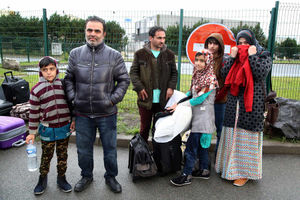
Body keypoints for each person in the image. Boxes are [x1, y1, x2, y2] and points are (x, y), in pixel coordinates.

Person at [64, 16, 130, 193]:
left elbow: (124, 80)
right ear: (85, 31)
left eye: (97, 31)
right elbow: (68, 79)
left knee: (110, 150)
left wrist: (112, 99)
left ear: (104, 33)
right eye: (89, 30)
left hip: (107, 114)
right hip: (82, 113)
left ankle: (111, 177)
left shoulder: (114, 56)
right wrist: (74, 98)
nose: (92, 34)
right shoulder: (75, 54)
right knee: (83, 151)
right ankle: (86, 176)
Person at [215, 29, 272, 187]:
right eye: (239, 43)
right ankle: (229, 169)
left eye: (246, 43)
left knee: (246, 137)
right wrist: (233, 58)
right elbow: (225, 75)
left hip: (252, 104)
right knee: (232, 135)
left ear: (252, 42)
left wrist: (252, 55)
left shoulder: (263, 55)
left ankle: (244, 173)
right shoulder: (232, 57)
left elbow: (260, 73)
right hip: (234, 103)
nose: (242, 46)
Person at [26, 56, 75, 195]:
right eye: (45, 70)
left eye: (52, 69)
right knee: (46, 157)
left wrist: (73, 120)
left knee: (62, 155)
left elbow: (72, 105)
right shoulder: (36, 90)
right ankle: (42, 180)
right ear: (40, 71)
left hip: (64, 128)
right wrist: (32, 132)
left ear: (57, 69)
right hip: (47, 130)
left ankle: (61, 179)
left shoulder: (64, 86)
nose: (49, 72)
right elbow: (34, 112)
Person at [169, 50, 218, 186]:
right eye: (197, 60)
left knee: (191, 147)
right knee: (202, 147)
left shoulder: (210, 79)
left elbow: (198, 99)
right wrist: (179, 99)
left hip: (203, 119)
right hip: (200, 117)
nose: (198, 63)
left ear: (208, 62)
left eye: (202, 61)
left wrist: (178, 106)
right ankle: (204, 170)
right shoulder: (198, 75)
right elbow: (191, 92)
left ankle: (186, 175)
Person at [130, 26, 178, 142]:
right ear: (151, 38)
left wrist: (171, 87)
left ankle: (158, 156)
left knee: (160, 129)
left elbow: (174, 73)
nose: (162, 41)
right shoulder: (140, 54)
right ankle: (143, 156)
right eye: (159, 38)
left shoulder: (169, 54)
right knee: (144, 129)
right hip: (146, 99)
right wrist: (140, 88)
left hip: (163, 100)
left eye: (164, 38)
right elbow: (133, 73)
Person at [192, 33, 228, 179]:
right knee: (203, 132)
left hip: (218, 102)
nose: (212, 46)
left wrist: (214, 96)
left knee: (219, 131)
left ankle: (217, 161)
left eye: (215, 43)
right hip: (204, 102)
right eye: (209, 43)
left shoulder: (224, 61)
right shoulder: (204, 57)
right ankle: (203, 162)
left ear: (220, 46)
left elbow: (225, 83)